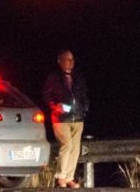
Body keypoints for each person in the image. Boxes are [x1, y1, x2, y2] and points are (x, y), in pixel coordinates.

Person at [42, 49, 90, 188]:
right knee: (67, 144)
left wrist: (85, 108)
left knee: (75, 148)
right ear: (60, 61)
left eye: (72, 60)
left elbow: (84, 94)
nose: (71, 62)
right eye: (67, 60)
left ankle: (69, 177)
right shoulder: (54, 77)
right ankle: (61, 176)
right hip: (61, 118)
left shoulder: (78, 76)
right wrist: (55, 106)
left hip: (78, 117)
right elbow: (46, 95)